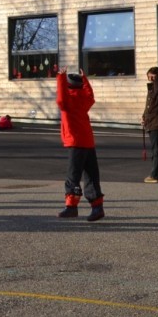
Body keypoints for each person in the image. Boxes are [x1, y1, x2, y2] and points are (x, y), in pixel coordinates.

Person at [56, 70, 105, 221]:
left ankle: (71, 207)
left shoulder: (68, 101)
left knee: (73, 176)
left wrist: (60, 77)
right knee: (91, 175)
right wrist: (85, 79)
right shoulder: (84, 99)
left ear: (69, 87)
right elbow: (90, 95)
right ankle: (97, 207)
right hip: (88, 141)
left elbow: (61, 97)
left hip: (75, 142)